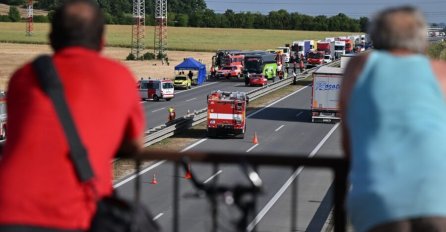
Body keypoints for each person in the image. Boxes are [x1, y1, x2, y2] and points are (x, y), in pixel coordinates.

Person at [0, 0, 145, 231]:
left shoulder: (22, 77)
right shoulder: (119, 77)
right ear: (102, 41)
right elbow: (134, 143)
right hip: (74, 214)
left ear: (52, 39)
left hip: (8, 211)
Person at [340, 6, 446, 232]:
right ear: (423, 41)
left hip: (378, 200)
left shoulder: (359, 66)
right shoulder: (440, 72)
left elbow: (349, 144)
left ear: (376, 38)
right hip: (438, 198)